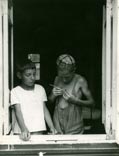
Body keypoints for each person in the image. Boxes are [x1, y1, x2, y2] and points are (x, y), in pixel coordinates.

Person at [10, 59, 56, 141]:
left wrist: (52, 127)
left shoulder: (40, 89)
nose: (32, 78)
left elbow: (44, 109)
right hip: (22, 132)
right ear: (19, 75)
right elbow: (18, 111)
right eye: (28, 75)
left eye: (34, 74)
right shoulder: (15, 91)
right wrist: (23, 129)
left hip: (38, 130)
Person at [49, 54, 95, 134]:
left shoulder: (80, 80)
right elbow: (50, 102)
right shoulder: (57, 79)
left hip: (74, 126)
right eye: (61, 76)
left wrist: (75, 101)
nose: (63, 79)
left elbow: (92, 103)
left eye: (67, 77)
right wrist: (53, 95)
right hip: (58, 125)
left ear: (74, 70)